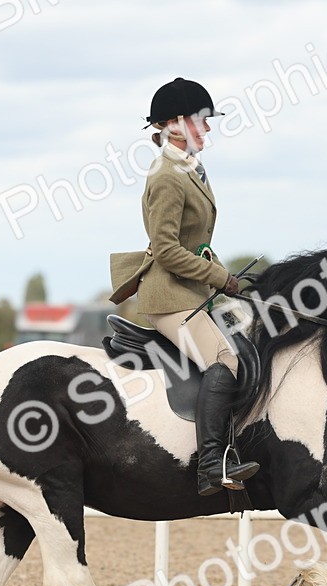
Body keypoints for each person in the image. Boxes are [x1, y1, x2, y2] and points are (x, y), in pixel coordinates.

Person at [108, 77, 258, 496]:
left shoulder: (189, 169)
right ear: (174, 125)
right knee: (226, 361)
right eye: (201, 122)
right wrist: (222, 279)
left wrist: (233, 280)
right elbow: (167, 250)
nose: (208, 129)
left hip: (192, 292)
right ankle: (212, 464)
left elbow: (200, 246)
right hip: (170, 295)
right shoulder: (167, 176)